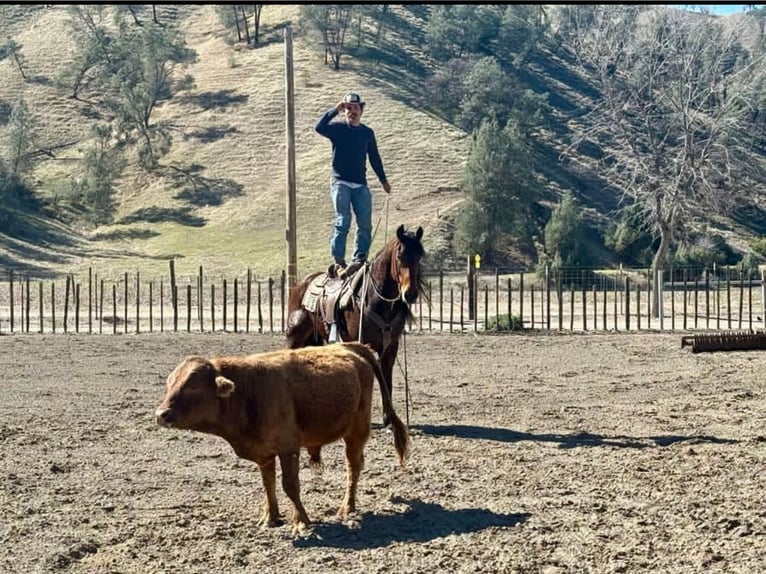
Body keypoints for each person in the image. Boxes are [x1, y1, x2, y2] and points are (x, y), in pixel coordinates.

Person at [315, 91, 391, 279]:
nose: (352, 111)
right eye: (348, 108)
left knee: (365, 223)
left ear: (361, 110)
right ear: (345, 110)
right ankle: (339, 260)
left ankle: (359, 259)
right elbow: (319, 127)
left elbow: (374, 158)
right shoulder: (338, 129)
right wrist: (335, 109)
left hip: (360, 185)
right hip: (340, 182)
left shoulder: (367, 133)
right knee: (343, 220)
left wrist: (383, 181)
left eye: (355, 108)